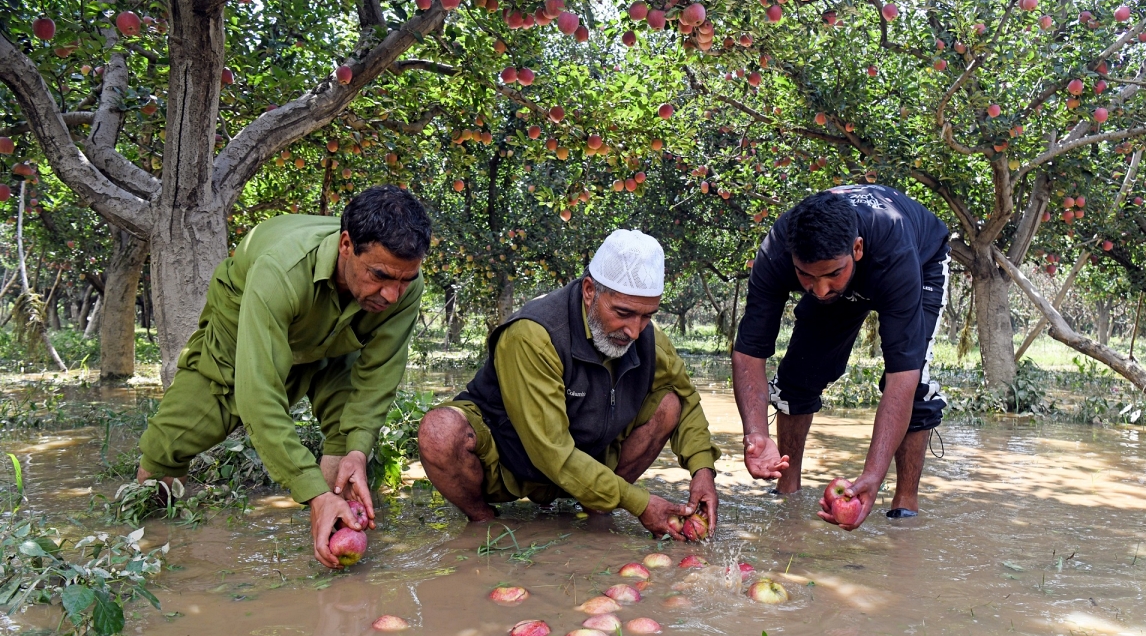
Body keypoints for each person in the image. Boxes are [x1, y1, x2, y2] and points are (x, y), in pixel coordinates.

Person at [135, 185, 430, 567]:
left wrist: (357, 448)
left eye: (405, 280)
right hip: (241, 330)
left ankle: (330, 543)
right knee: (170, 441)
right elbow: (258, 396)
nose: (393, 295)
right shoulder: (281, 271)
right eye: (381, 276)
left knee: (346, 435)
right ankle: (147, 542)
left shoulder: (402, 286)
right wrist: (311, 490)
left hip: (336, 341)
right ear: (346, 245)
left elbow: (377, 377)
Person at [417, 229, 719, 540]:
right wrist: (639, 503)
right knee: (439, 430)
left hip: (590, 460)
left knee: (670, 404)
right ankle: (484, 525)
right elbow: (551, 452)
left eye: (646, 316)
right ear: (590, 290)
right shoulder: (533, 335)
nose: (633, 331)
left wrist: (702, 471)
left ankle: (597, 509)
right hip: (509, 462)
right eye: (623, 313)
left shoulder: (647, 337)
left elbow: (687, 400)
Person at [731, 185, 949, 528]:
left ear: (857, 248)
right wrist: (755, 433)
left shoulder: (894, 250)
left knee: (916, 383)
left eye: (832, 274)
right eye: (806, 275)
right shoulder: (776, 251)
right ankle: (787, 491)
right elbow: (748, 353)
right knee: (798, 377)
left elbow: (901, 377)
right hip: (859, 265)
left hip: (920, 260)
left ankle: (904, 508)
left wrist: (872, 475)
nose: (819, 290)